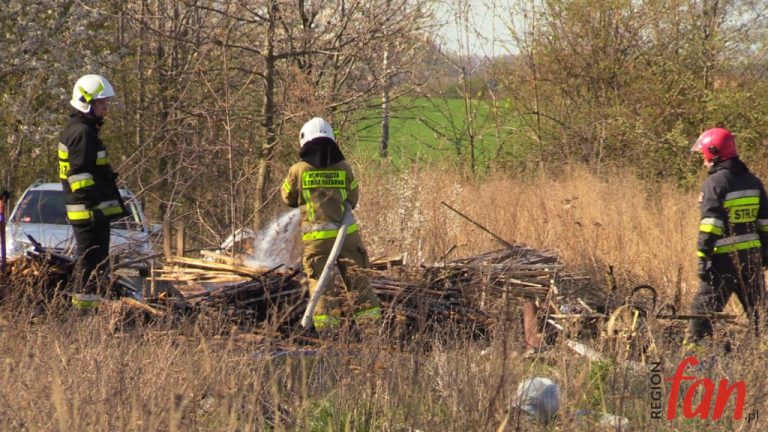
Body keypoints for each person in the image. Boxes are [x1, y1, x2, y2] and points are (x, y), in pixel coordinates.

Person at [280, 117, 381, 334]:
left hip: (317, 242)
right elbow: (353, 199)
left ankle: (329, 335)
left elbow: (288, 198)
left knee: (322, 288)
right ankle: (372, 331)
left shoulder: (298, 170)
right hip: (347, 238)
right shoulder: (344, 168)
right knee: (359, 283)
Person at [687, 127, 768, 347]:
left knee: (702, 312)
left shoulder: (715, 183)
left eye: (704, 155)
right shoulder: (753, 182)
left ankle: (695, 354)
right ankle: (761, 351)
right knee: (760, 311)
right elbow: (764, 222)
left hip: (723, 261)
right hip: (751, 259)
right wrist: (765, 252)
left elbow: (710, 225)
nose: (703, 161)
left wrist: (703, 257)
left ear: (713, 153)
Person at [59, 74, 127, 309]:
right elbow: (79, 176)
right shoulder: (82, 133)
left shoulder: (83, 130)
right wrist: (94, 207)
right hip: (89, 212)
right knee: (91, 265)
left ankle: (93, 309)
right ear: (85, 103)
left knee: (97, 265)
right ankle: (84, 314)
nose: (105, 108)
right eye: (101, 103)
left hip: (91, 211)